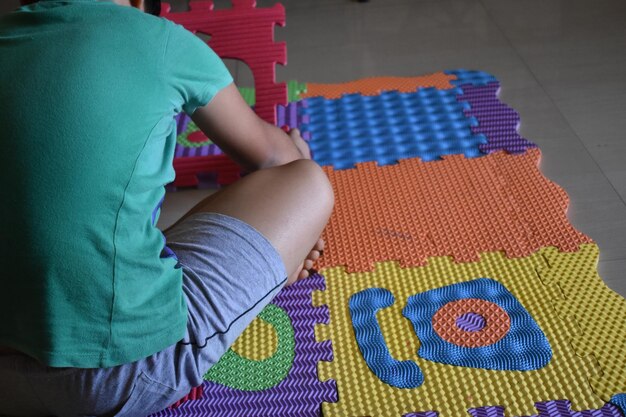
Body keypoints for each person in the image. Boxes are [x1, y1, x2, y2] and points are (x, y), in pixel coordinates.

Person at [0, 0, 334, 415]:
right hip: (113, 376)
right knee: (306, 183)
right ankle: (271, 274)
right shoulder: (163, 42)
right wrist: (297, 155)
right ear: (143, 4)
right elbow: (272, 159)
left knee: (131, 206)